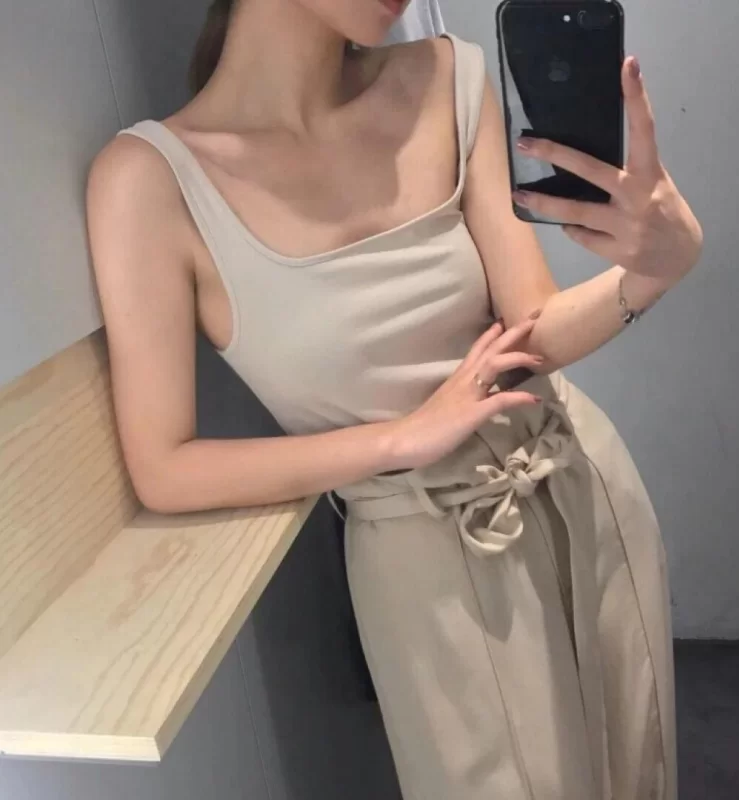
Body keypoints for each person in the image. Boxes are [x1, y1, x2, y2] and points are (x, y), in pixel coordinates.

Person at [86, 0, 702, 798]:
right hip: (423, 560)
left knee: (639, 771)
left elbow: (533, 330)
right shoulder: (149, 181)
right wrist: (401, 438)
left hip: (578, 481)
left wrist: (653, 272)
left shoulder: (449, 78)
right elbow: (163, 467)